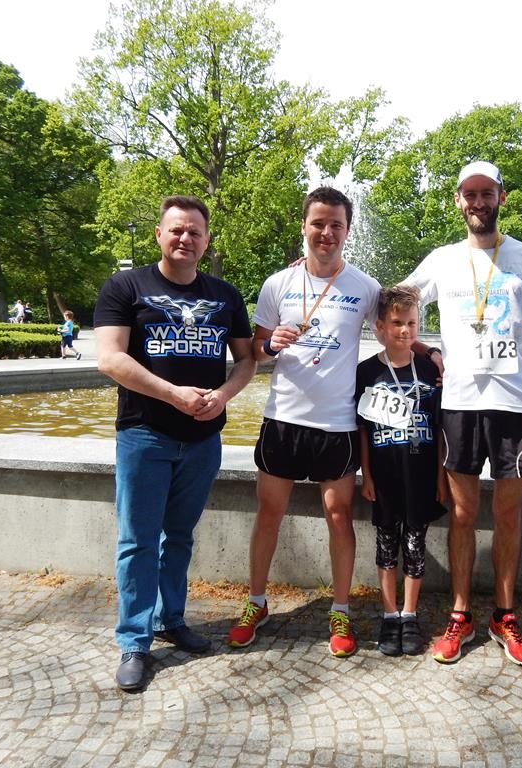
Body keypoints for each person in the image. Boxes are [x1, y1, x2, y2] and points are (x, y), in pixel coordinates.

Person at [94, 195, 256, 691]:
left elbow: (247, 360)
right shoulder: (126, 286)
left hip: (203, 439)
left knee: (179, 537)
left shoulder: (225, 294)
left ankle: (172, 618)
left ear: (206, 241)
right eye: (177, 230)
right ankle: (134, 641)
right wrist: (173, 394)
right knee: (138, 541)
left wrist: (223, 395)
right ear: (159, 235)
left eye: (195, 232)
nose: (185, 238)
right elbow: (110, 359)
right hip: (145, 434)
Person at [402, 160, 522, 667]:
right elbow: (392, 303)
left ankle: (505, 615)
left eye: (486, 193)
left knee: (508, 515)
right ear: (458, 200)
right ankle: (461, 613)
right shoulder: (442, 259)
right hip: (461, 404)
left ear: (501, 197)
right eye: (469, 193)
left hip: (516, 404)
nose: (478, 202)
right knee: (463, 515)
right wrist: (324, 269)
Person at [228, 186, 380, 658]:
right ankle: (256, 602)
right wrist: (271, 343)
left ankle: (340, 609)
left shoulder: (365, 287)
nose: (327, 232)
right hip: (284, 419)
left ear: (348, 231)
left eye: (336, 224)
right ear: (304, 226)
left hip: (336, 424)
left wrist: (426, 352)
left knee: (339, 516)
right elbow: (256, 351)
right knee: (269, 513)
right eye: (318, 223)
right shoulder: (278, 283)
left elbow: (397, 326)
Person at [356, 285, 447, 657]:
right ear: (380, 326)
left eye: (411, 322)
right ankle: (389, 613)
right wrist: (367, 475)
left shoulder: (429, 369)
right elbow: (362, 429)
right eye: (396, 323)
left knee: (415, 544)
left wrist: (440, 477)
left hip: (421, 473)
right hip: (384, 473)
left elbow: (439, 427)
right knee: (386, 544)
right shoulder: (366, 371)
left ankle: (410, 613)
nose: (405, 330)